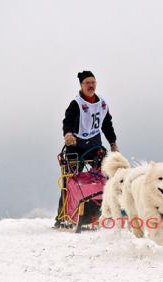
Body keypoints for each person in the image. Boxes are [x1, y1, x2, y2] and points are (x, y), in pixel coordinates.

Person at [54, 70, 119, 228]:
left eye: (93, 82)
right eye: (87, 83)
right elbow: (67, 120)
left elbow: (106, 124)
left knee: (107, 173)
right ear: (81, 85)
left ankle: (102, 212)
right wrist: (68, 133)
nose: (91, 85)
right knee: (69, 179)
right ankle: (63, 217)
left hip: (94, 145)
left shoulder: (102, 103)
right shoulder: (76, 104)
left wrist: (113, 142)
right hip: (76, 146)